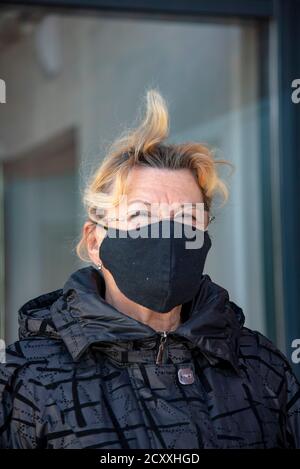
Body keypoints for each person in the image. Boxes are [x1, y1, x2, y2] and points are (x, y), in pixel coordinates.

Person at [0, 90, 299, 449]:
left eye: (187, 219)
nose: (166, 236)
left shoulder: (260, 365)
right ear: (95, 241)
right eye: (140, 216)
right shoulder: (26, 379)